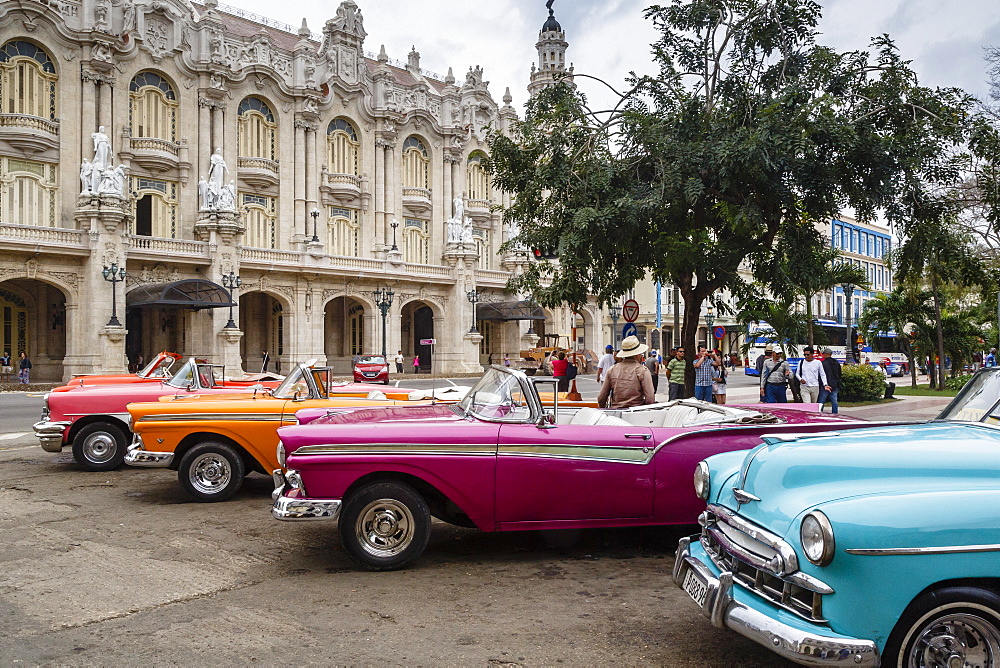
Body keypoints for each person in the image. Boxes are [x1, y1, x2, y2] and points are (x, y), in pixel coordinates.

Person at [597, 335, 655, 409]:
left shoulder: (612, 370)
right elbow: (650, 399)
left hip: (616, 414)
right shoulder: (643, 371)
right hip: (636, 413)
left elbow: (601, 398)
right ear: (637, 354)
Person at [818, 347, 842, 414]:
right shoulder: (836, 362)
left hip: (825, 385)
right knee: (834, 401)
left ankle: (819, 413)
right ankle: (835, 414)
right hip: (835, 385)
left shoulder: (822, 363)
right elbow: (839, 374)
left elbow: (820, 374)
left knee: (821, 401)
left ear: (825, 354)